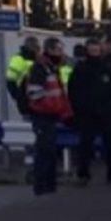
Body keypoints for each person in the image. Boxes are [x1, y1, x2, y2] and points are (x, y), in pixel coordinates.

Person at [68, 35, 111, 185]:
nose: (95, 52)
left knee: (110, 144)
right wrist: (81, 109)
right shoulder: (80, 69)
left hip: (106, 113)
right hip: (87, 114)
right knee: (85, 144)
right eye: (92, 50)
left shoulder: (106, 68)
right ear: (87, 51)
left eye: (97, 49)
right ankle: (83, 174)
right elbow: (73, 91)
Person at [25, 38, 73, 196]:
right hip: (42, 115)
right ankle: (41, 186)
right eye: (59, 50)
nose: (61, 54)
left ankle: (49, 185)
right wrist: (50, 104)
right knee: (44, 151)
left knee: (50, 151)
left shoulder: (52, 68)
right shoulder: (40, 68)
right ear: (50, 50)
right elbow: (34, 93)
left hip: (52, 115)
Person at [6, 36, 40, 117]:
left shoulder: (38, 59)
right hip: (25, 99)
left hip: (38, 99)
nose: (37, 49)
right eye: (35, 46)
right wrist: (18, 98)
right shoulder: (18, 59)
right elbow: (10, 80)